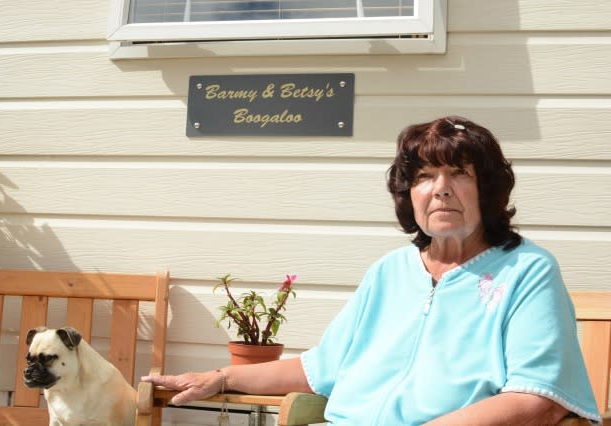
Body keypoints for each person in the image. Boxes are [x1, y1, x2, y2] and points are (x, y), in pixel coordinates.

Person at [142, 116, 601, 425]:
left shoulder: (526, 270)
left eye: (459, 173)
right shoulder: (390, 272)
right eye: (423, 176)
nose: (440, 190)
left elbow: (536, 397)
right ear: (409, 195)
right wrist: (221, 377)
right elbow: (320, 370)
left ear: (489, 190)